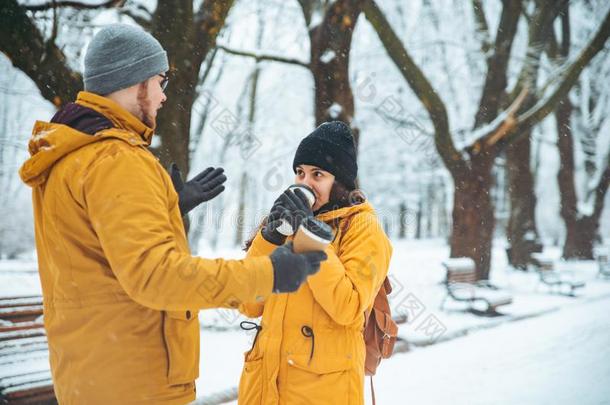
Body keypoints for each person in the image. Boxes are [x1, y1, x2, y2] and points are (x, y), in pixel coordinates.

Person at [18, 24, 326, 405]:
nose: (164, 96)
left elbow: (94, 252)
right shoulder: (116, 160)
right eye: (160, 81)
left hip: (93, 373)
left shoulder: (72, 153)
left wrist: (167, 209)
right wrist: (269, 273)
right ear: (135, 82)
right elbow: (155, 276)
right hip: (135, 381)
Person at [238, 121, 393, 404]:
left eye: (317, 174)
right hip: (264, 388)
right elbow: (249, 304)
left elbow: (347, 307)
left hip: (321, 392)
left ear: (340, 182)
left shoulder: (363, 227)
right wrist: (268, 237)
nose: (305, 183)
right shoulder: (288, 221)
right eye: (300, 172)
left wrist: (309, 237)